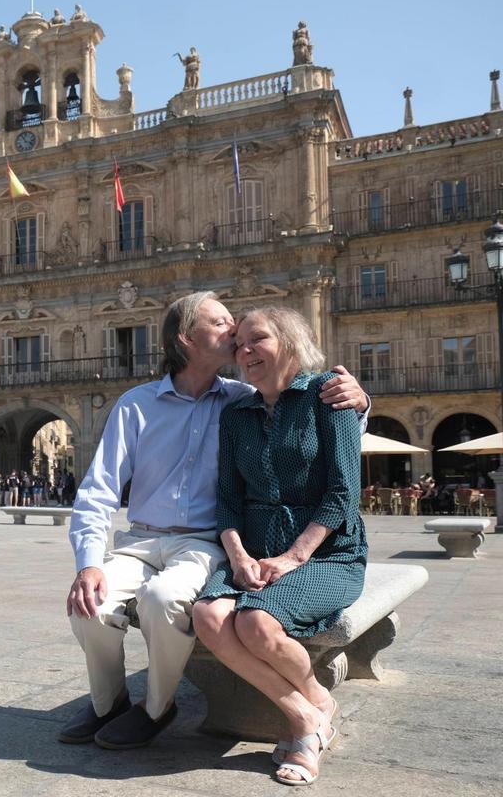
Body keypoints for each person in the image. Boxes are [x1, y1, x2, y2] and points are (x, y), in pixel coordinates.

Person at [62, 292, 367, 751]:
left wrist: (360, 403)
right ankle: (110, 703)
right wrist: (88, 562)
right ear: (187, 338)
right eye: (224, 322)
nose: (235, 332)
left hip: (204, 543)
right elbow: (99, 488)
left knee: (165, 600)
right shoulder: (136, 405)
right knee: (91, 604)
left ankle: (157, 708)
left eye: (244, 330)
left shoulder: (244, 398)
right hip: (139, 540)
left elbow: (312, 422)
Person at [193, 307, 367, 786]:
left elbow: (342, 494)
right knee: (208, 615)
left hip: (328, 553)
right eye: (239, 344)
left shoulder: (327, 396)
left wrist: (294, 556)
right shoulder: (236, 415)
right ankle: (311, 711)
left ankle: (306, 721)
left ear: (289, 341)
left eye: (258, 339)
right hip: (253, 550)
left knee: (256, 623)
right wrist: (238, 555)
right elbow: (227, 500)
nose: (244, 351)